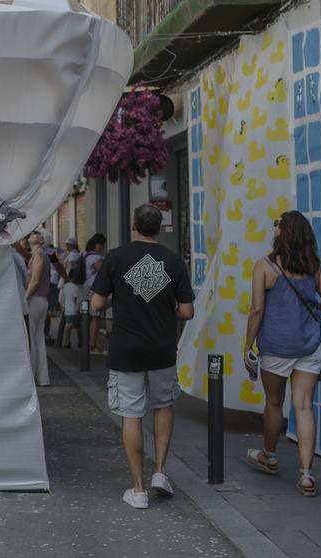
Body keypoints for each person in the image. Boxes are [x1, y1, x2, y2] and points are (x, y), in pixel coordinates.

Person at [90, 204, 194, 510]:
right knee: (163, 406)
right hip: (161, 348)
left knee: (131, 415)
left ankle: (138, 490)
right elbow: (187, 311)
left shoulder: (117, 257)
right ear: (159, 228)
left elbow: (96, 303)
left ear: (133, 225)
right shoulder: (174, 261)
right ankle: (160, 471)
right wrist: (165, 308)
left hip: (126, 349)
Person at [242, 211, 321, 497]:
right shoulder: (314, 266)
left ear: (282, 233)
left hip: (277, 346)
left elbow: (257, 309)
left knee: (274, 402)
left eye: (277, 225)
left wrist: (248, 345)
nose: (274, 228)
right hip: (310, 346)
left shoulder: (264, 266)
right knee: (304, 406)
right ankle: (307, 475)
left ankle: (269, 456)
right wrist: (312, 312)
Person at [24, 231, 51, 386]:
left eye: (37, 233)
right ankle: (42, 377)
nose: (32, 233)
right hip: (40, 300)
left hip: (35, 300)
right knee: (38, 339)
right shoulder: (39, 255)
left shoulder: (39, 255)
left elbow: (34, 281)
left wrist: (25, 298)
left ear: (41, 241)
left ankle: (34, 376)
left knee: (33, 340)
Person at [84, 234, 108, 353]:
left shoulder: (86, 255)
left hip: (86, 288)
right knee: (95, 317)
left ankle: (87, 344)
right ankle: (92, 346)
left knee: (88, 318)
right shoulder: (95, 258)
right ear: (98, 245)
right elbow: (103, 272)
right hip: (94, 290)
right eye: (103, 245)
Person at [60, 237, 82, 348]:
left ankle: (66, 342)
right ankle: (79, 342)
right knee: (76, 324)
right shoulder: (74, 254)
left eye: (68, 244)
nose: (66, 246)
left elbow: (71, 267)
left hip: (69, 285)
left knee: (69, 323)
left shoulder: (73, 255)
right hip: (73, 307)